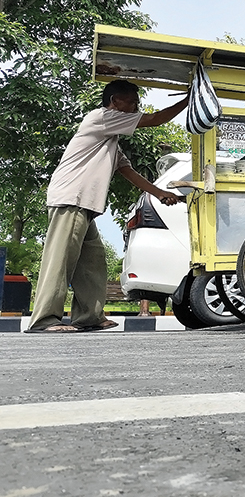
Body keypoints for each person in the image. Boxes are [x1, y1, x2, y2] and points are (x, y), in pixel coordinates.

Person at [25, 80, 189, 333]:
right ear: (114, 102)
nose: (136, 107)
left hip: (85, 205)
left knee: (92, 262)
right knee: (60, 261)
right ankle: (44, 319)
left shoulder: (109, 138)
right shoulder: (102, 117)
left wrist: (160, 194)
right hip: (71, 198)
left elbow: (127, 171)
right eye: (132, 102)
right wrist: (189, 100)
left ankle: (89, 316)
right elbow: (156, 119)